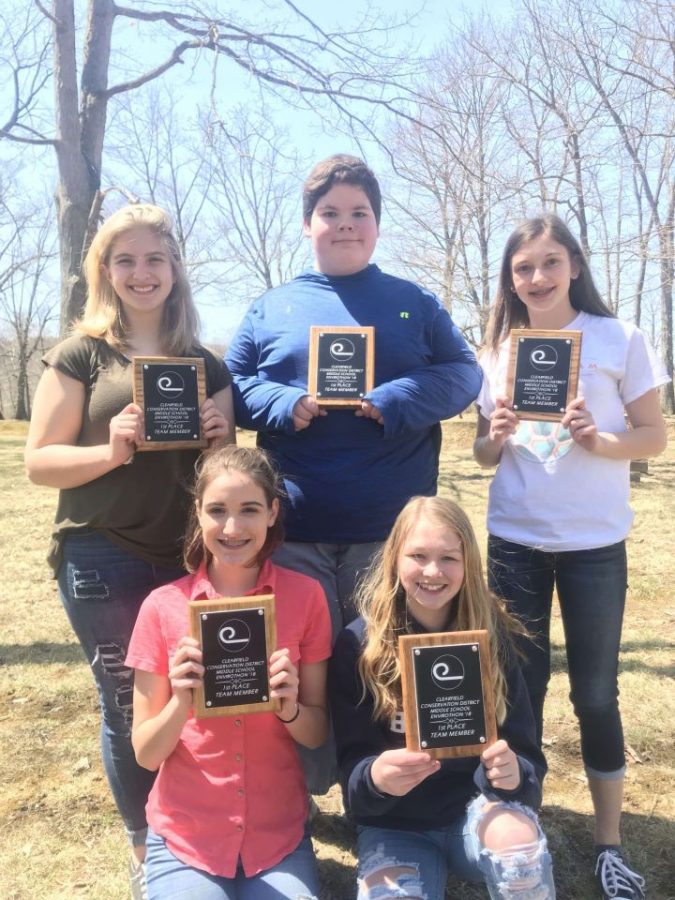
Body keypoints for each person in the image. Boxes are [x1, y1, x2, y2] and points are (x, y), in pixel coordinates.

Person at [24, 203, 235, 898]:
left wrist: (219, 441)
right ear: (105, 272)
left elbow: (226, 480)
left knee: (190, 694)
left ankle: (190, 822)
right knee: (126, 704)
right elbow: (40, 463)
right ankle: (147, 843)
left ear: (174, 270)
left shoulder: (205, 363)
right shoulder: (80, 354)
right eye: (125, 261)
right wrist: (111, 450)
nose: (141, 273)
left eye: (154, 259)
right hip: (102, 556)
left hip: (184, 559)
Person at [474, 214, 668, 900]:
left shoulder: (619, 339)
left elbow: (651, 437)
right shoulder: (498, 346)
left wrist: (597, 438)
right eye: (522, 268)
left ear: (574, 266)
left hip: (593, 546)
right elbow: (481, 452)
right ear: (510, 279)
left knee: (594, 694)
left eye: (549, 262)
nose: (536, 277)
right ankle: (520, 830)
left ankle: (608, 843)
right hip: (515, 542)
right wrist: (493, 436)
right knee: (519, 693)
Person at [226, 154, 482, 642]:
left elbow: (464, 374)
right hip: (294, 529)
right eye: (330, 213)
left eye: (359, 213)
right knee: (306, 667)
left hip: (391, 532)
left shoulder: (415, 302)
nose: (345, 225)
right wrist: (282, 403)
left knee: (381, 670)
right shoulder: (271, 307)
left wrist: (399, 397)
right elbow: (229, 383)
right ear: (307, 224)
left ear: (377, 225)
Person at [126, 445, 332, 900]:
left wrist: (291, 709)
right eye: (217, 510)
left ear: (273, 512)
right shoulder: (162, 608)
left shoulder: (307, 597)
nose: (233, 528)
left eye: (250, 510)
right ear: (197, 513)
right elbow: (145, 753)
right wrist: (182, 700)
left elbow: (316, 734)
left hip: (275, 837)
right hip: (187, 837)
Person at [329, 495, 555, 899]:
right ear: (394, 560)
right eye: (418, 555)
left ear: (468, 563)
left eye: (449, 558)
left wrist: (514, 772)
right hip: (395, 827)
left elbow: (529, 765)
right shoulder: (358, 645)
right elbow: (352, 782)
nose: (433, 572)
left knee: (519, 849)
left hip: (479, 813)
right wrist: (376, 777)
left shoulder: (494, 639)